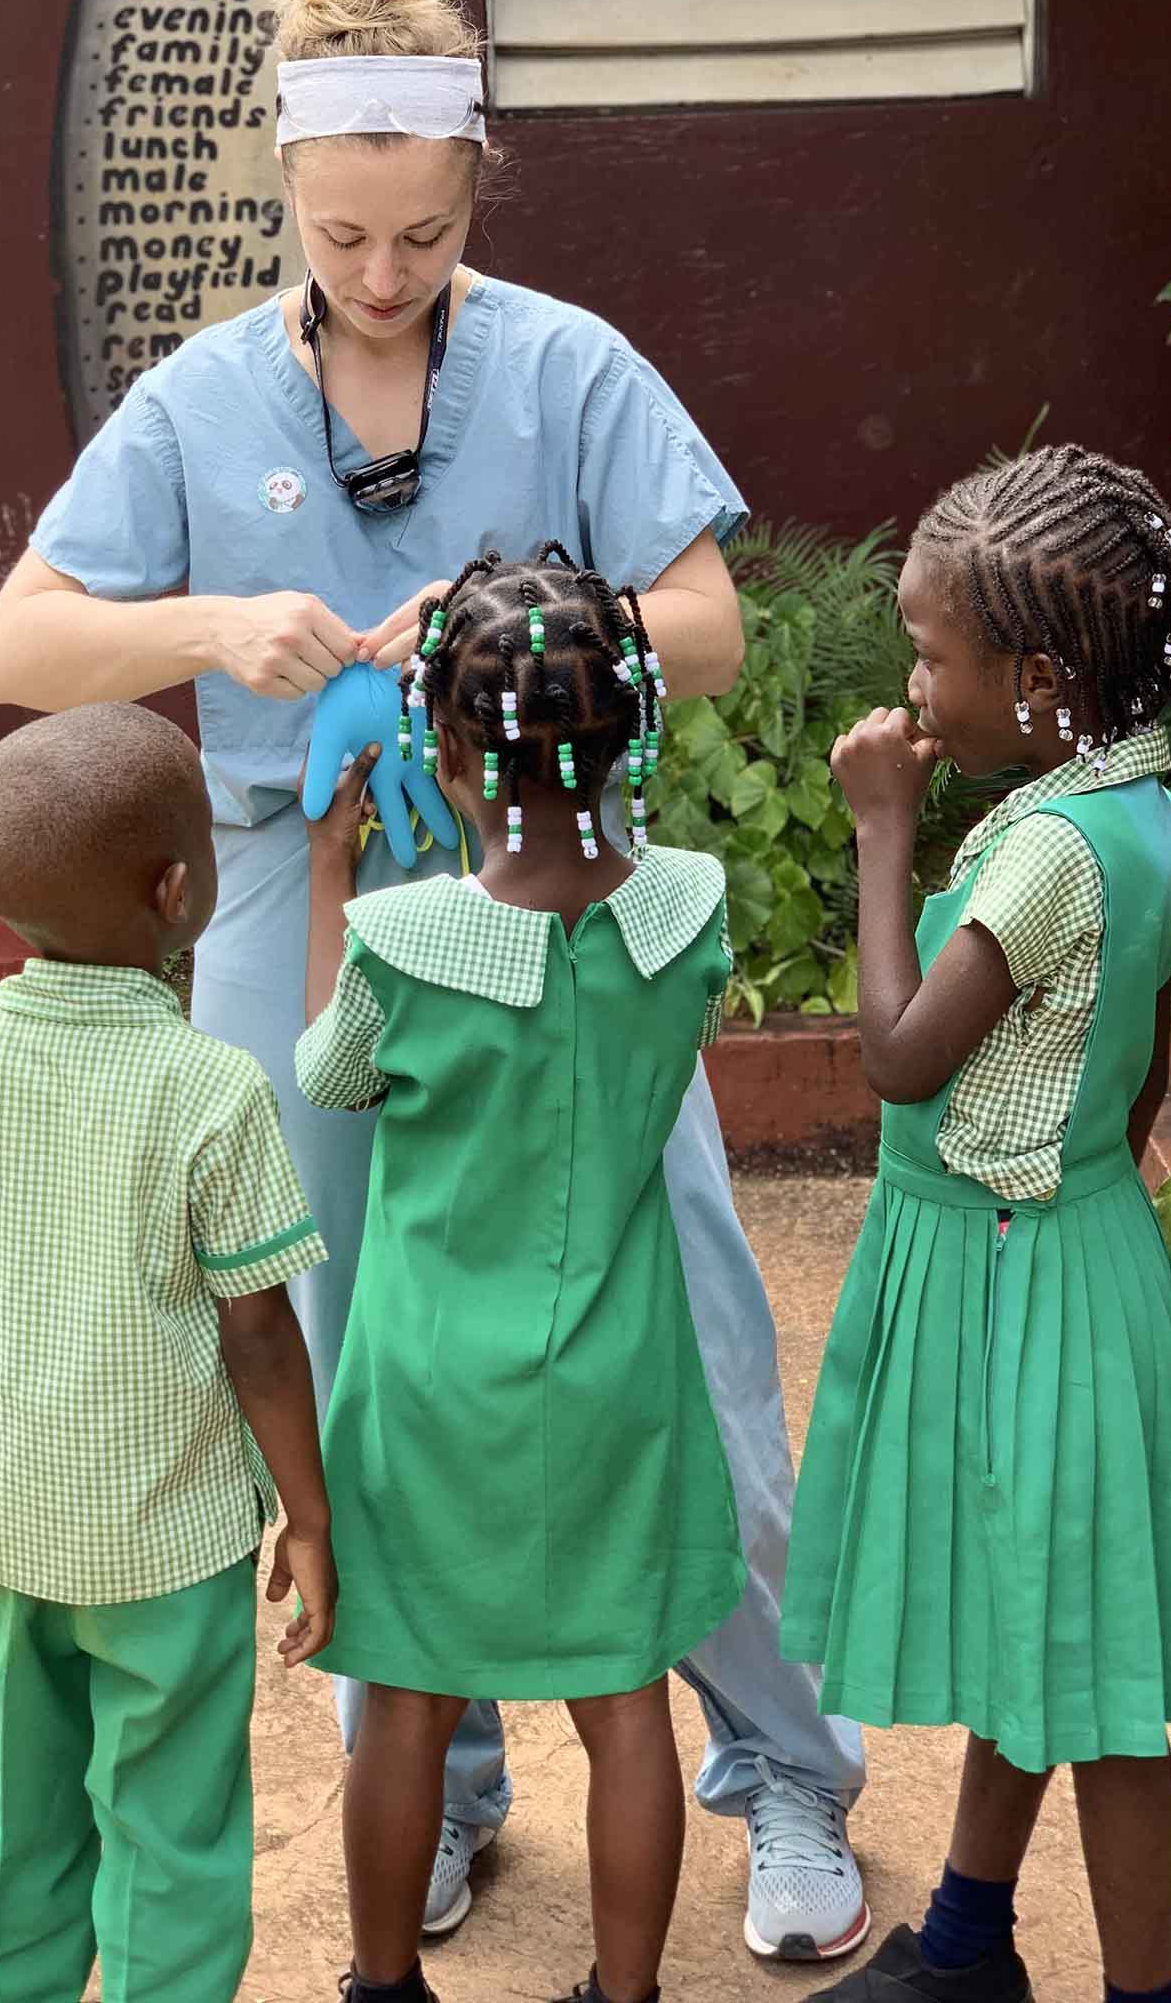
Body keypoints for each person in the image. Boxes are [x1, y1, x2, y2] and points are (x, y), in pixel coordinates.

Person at [0, 0, 868, 1965]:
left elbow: (713, 628)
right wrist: (212, 627)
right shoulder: (201, 400)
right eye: (343, 235)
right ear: (286, 187)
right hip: (293, 898)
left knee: (692, 1353)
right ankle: (444, 1777)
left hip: (562, 899)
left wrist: (494, 637)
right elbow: (21, 643)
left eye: (423, 237)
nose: (382, 279)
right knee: (356, 1362)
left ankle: (791, 1779)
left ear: (474, 187)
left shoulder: (568, 364)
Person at [780, 447, 1171, 2003]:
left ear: (1041, 677)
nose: (911, 681)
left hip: (1010, 1271)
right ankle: (971, 1943)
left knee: (1098, 1685)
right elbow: (1143, 1068)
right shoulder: (1143, 812)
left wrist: (877, 835)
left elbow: (904, 1057)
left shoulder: (1044, 849)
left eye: (930, 654)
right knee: (1032, 1613)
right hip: (1076, 1251)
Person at [298, 549, 746, 2003]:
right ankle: (626, 1995)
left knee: (410, 1705)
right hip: (617, 1374)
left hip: (429, 1391)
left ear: (443, 747)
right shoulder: (689, 908)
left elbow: (331, 1078)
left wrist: (325, 881)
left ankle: (383, 1984)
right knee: (623, 1709)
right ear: (631, 731)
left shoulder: (399, 940)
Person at [0, 702, 335, 2003]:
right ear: (177, 889)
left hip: (8, 1532)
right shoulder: (213, 1088)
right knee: (172, 1839)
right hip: (168, 1551)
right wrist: (307, 1513)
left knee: (23, 1820)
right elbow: (259, 1335)